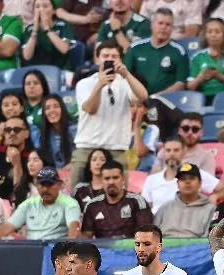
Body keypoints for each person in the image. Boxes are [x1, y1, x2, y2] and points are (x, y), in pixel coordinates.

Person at [70, 40, 149, 190]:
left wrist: (127, 74)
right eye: (105, 55)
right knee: (76, 193)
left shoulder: (125, 83)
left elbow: (143, 96)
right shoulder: (85, 83)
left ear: (120, 59)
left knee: (119, 196)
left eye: (114, 56)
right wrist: (100, 85)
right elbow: (90, 109)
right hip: (86, 145)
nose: (110, 59)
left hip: (116, 147)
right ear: (97, 59)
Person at [0, 166, 81, 240]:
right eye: (42, 185)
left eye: (50, 185)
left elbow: (73, 229)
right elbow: (6, 227)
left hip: (56, 250)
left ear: (60, 185)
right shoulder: (28, 204)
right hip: (32, 249)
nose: (45, 189)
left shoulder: (70, 203)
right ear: (36, 185)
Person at [142, 137, 224, 214]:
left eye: (176, 150)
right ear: (163, 153)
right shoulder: (151, 180)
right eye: (168, 150)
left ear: (184, 152)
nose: (172, 154)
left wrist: (215, 196)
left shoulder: (195, 174)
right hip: (157, 225)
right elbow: (144, 209)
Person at [80, 160, 153, 238]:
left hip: (131, 249)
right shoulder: (92, 205)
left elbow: (145, 234)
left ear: (123, 179)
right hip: (102, 249)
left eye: (115, 178)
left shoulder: (137, 201)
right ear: (101, 181)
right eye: (107, 178)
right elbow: (86, 236)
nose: (111, 182)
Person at [124, 8, 189, 95]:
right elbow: (125, 75)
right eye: (160, 23)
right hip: (136, 100)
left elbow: (180, 84)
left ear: (172, 28)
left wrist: (155, 97)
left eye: (168, 24)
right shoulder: (135, 47)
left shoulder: (179, 52)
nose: (163, 27)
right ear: (152, 25)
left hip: (165, 101)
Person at [187, 18, 224, 101]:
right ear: (205, 35)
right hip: (203, 99)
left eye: (217, 32)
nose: (213, 35)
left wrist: (217, 75)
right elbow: (190, 87)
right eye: (209, 32)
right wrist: (201, 77)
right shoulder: (197, 57)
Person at [154, 163, 216, 238]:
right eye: (183, 179)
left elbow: (211, 239)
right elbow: (154, 235)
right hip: (165, 248)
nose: (187, 182)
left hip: (197, 248)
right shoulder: (164, 208)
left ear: (200, 183)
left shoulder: (211, 209)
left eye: (192, 178)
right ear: (177, 184)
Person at [0, 116, 33, 200]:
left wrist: (17, 164)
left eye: (17, 130)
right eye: (8, 130)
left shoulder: (32, 158)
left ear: (27, 133)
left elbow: (20, 194)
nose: (12, 133)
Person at [151, 113, 216, 175]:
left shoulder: (206, 157)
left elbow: (208, 185)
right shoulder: (165, 151)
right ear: (179, 131)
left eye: (195, 129)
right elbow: (153, 178)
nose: (190, 133)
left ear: (201, 133)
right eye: (185, 128)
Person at [22, 0, 74, 69]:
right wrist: (35, 31)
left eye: (45, 6)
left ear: (53, 11)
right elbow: (27, 56)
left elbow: (64, 49)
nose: (41, 10)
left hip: (60, 69)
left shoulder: (63, 25)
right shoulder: (29, 29)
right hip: (36, 71)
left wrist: (47, 29)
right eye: (37, 7)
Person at [41, 94, 75, 170]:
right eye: (47, 108)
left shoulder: (73, 129)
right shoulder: (46, 134)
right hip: (56, 175)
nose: (52, 110)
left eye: (56, 106)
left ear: (62, 109)